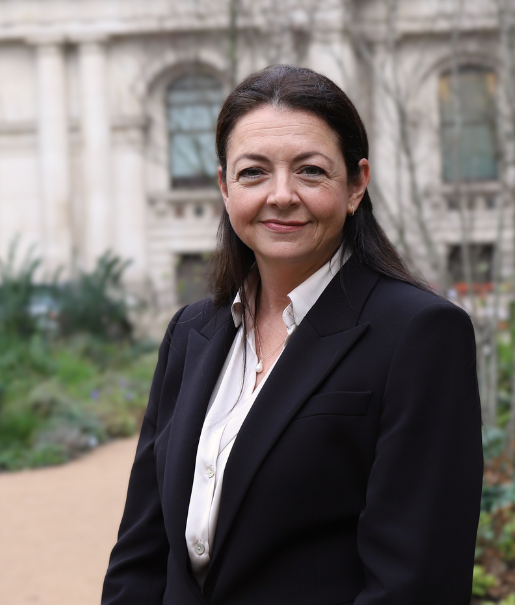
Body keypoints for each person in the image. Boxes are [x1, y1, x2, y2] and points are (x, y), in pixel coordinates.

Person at [102, 65, 483, 605]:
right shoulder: (191, 333)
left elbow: (416, 582)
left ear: (356, 185)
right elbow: (141, 551)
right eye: (253, 172)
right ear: (224, 187)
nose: (281, 195)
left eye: (310, 171)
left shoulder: (418, 334)